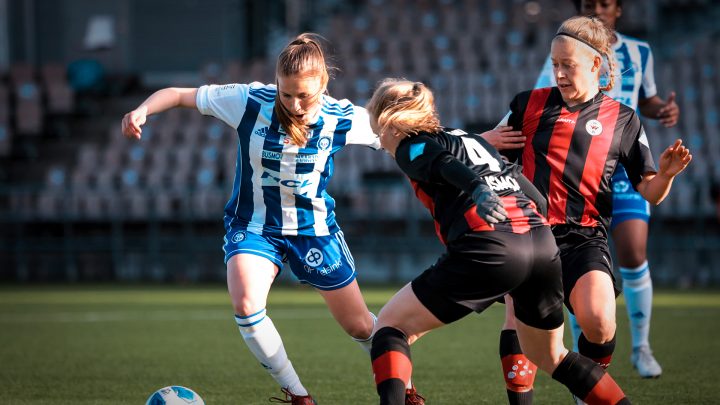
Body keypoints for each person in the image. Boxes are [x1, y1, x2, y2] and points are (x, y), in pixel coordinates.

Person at [121, 33, 381, 405]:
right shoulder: (248, 101)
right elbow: (179, 95)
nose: (293, 104)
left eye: (303, 96)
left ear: (323, 84)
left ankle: (401, 385)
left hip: (315, 232)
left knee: (360, 327)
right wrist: (144, 109)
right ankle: (298, 395)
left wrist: (472, 141)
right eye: (285, 93)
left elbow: (400, 134)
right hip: (254, 227)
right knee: (245, 304)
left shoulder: (342, 118)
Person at [365, 78, 634, 405]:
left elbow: (443, 164)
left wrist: (478, 191)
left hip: (490, 245)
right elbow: (534, 195)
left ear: (390, 122)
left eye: (379, 134)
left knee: (390, 328)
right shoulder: (468, 139)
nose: (382, 143)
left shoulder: (411, 143)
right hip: (541, 243)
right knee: (553, 356)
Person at [482, 15, 691, 405]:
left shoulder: (625, 120)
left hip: (585, 237)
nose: (558, 73)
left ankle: (588, 393)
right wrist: (484, 140)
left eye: (568, 65)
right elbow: (483, 153)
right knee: (519, 323)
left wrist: (666, 175)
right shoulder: (528, 105)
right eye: (555, 63)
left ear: (596, 64)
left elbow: (651, 192)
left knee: (599, 320)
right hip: (530, 234)